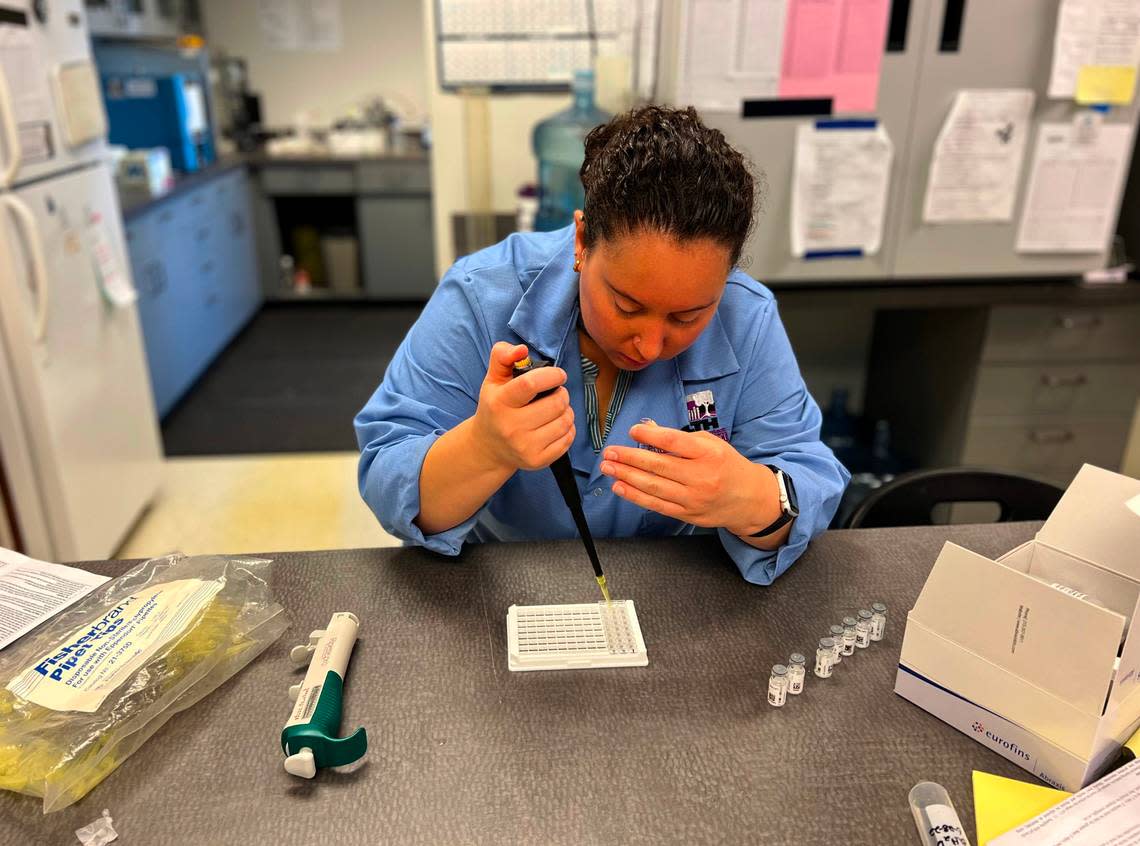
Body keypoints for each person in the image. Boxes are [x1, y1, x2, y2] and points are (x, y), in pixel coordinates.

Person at [355, 105, 849, 585]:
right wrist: (483, 449)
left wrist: (752, 499)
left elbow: (805, 472)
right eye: (627, 305)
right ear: (582, 242)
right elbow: (387, 477)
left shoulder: (748, 315)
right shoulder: (481, 296)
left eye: (688, 316)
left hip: (672, 591)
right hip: (496, 588)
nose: (650, 345)